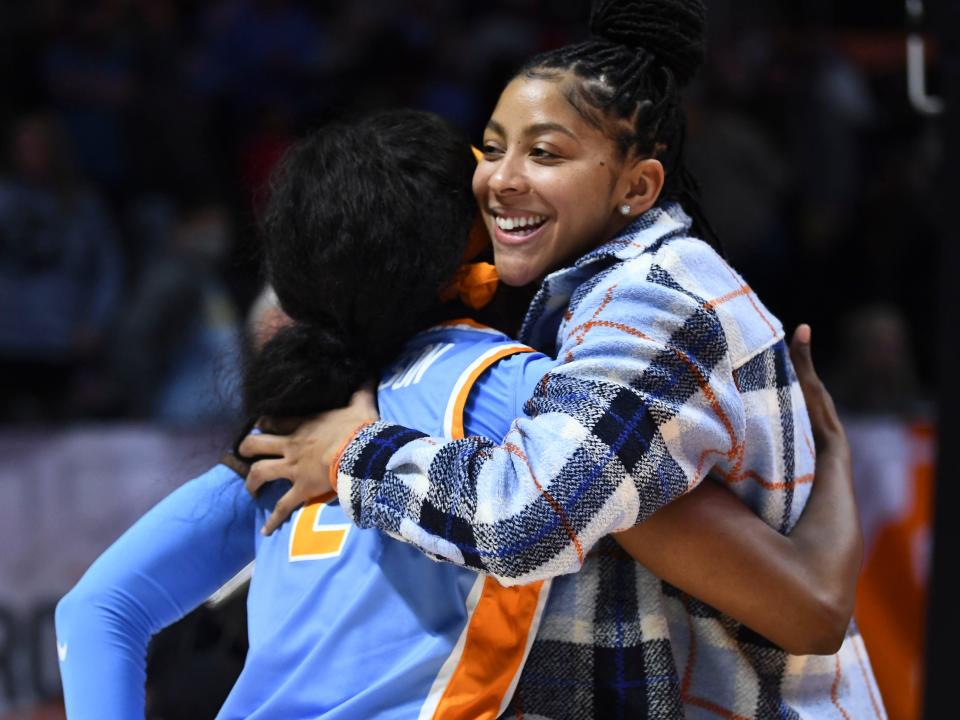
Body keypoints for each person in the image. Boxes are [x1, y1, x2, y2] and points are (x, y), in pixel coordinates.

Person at [58, 109, 863, 719]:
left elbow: (97, 610)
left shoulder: (285, 434)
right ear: (472, 248)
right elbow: (801, 610)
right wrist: (832, 461)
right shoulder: (516, 396)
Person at [239, 1, 884, 716]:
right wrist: (836, 470)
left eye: (543, 153)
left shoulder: (650, 305)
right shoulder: (589, 300)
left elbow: (528, 518)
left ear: (637, 187)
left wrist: (354, 453)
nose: (498, 180)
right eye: (493, 147)